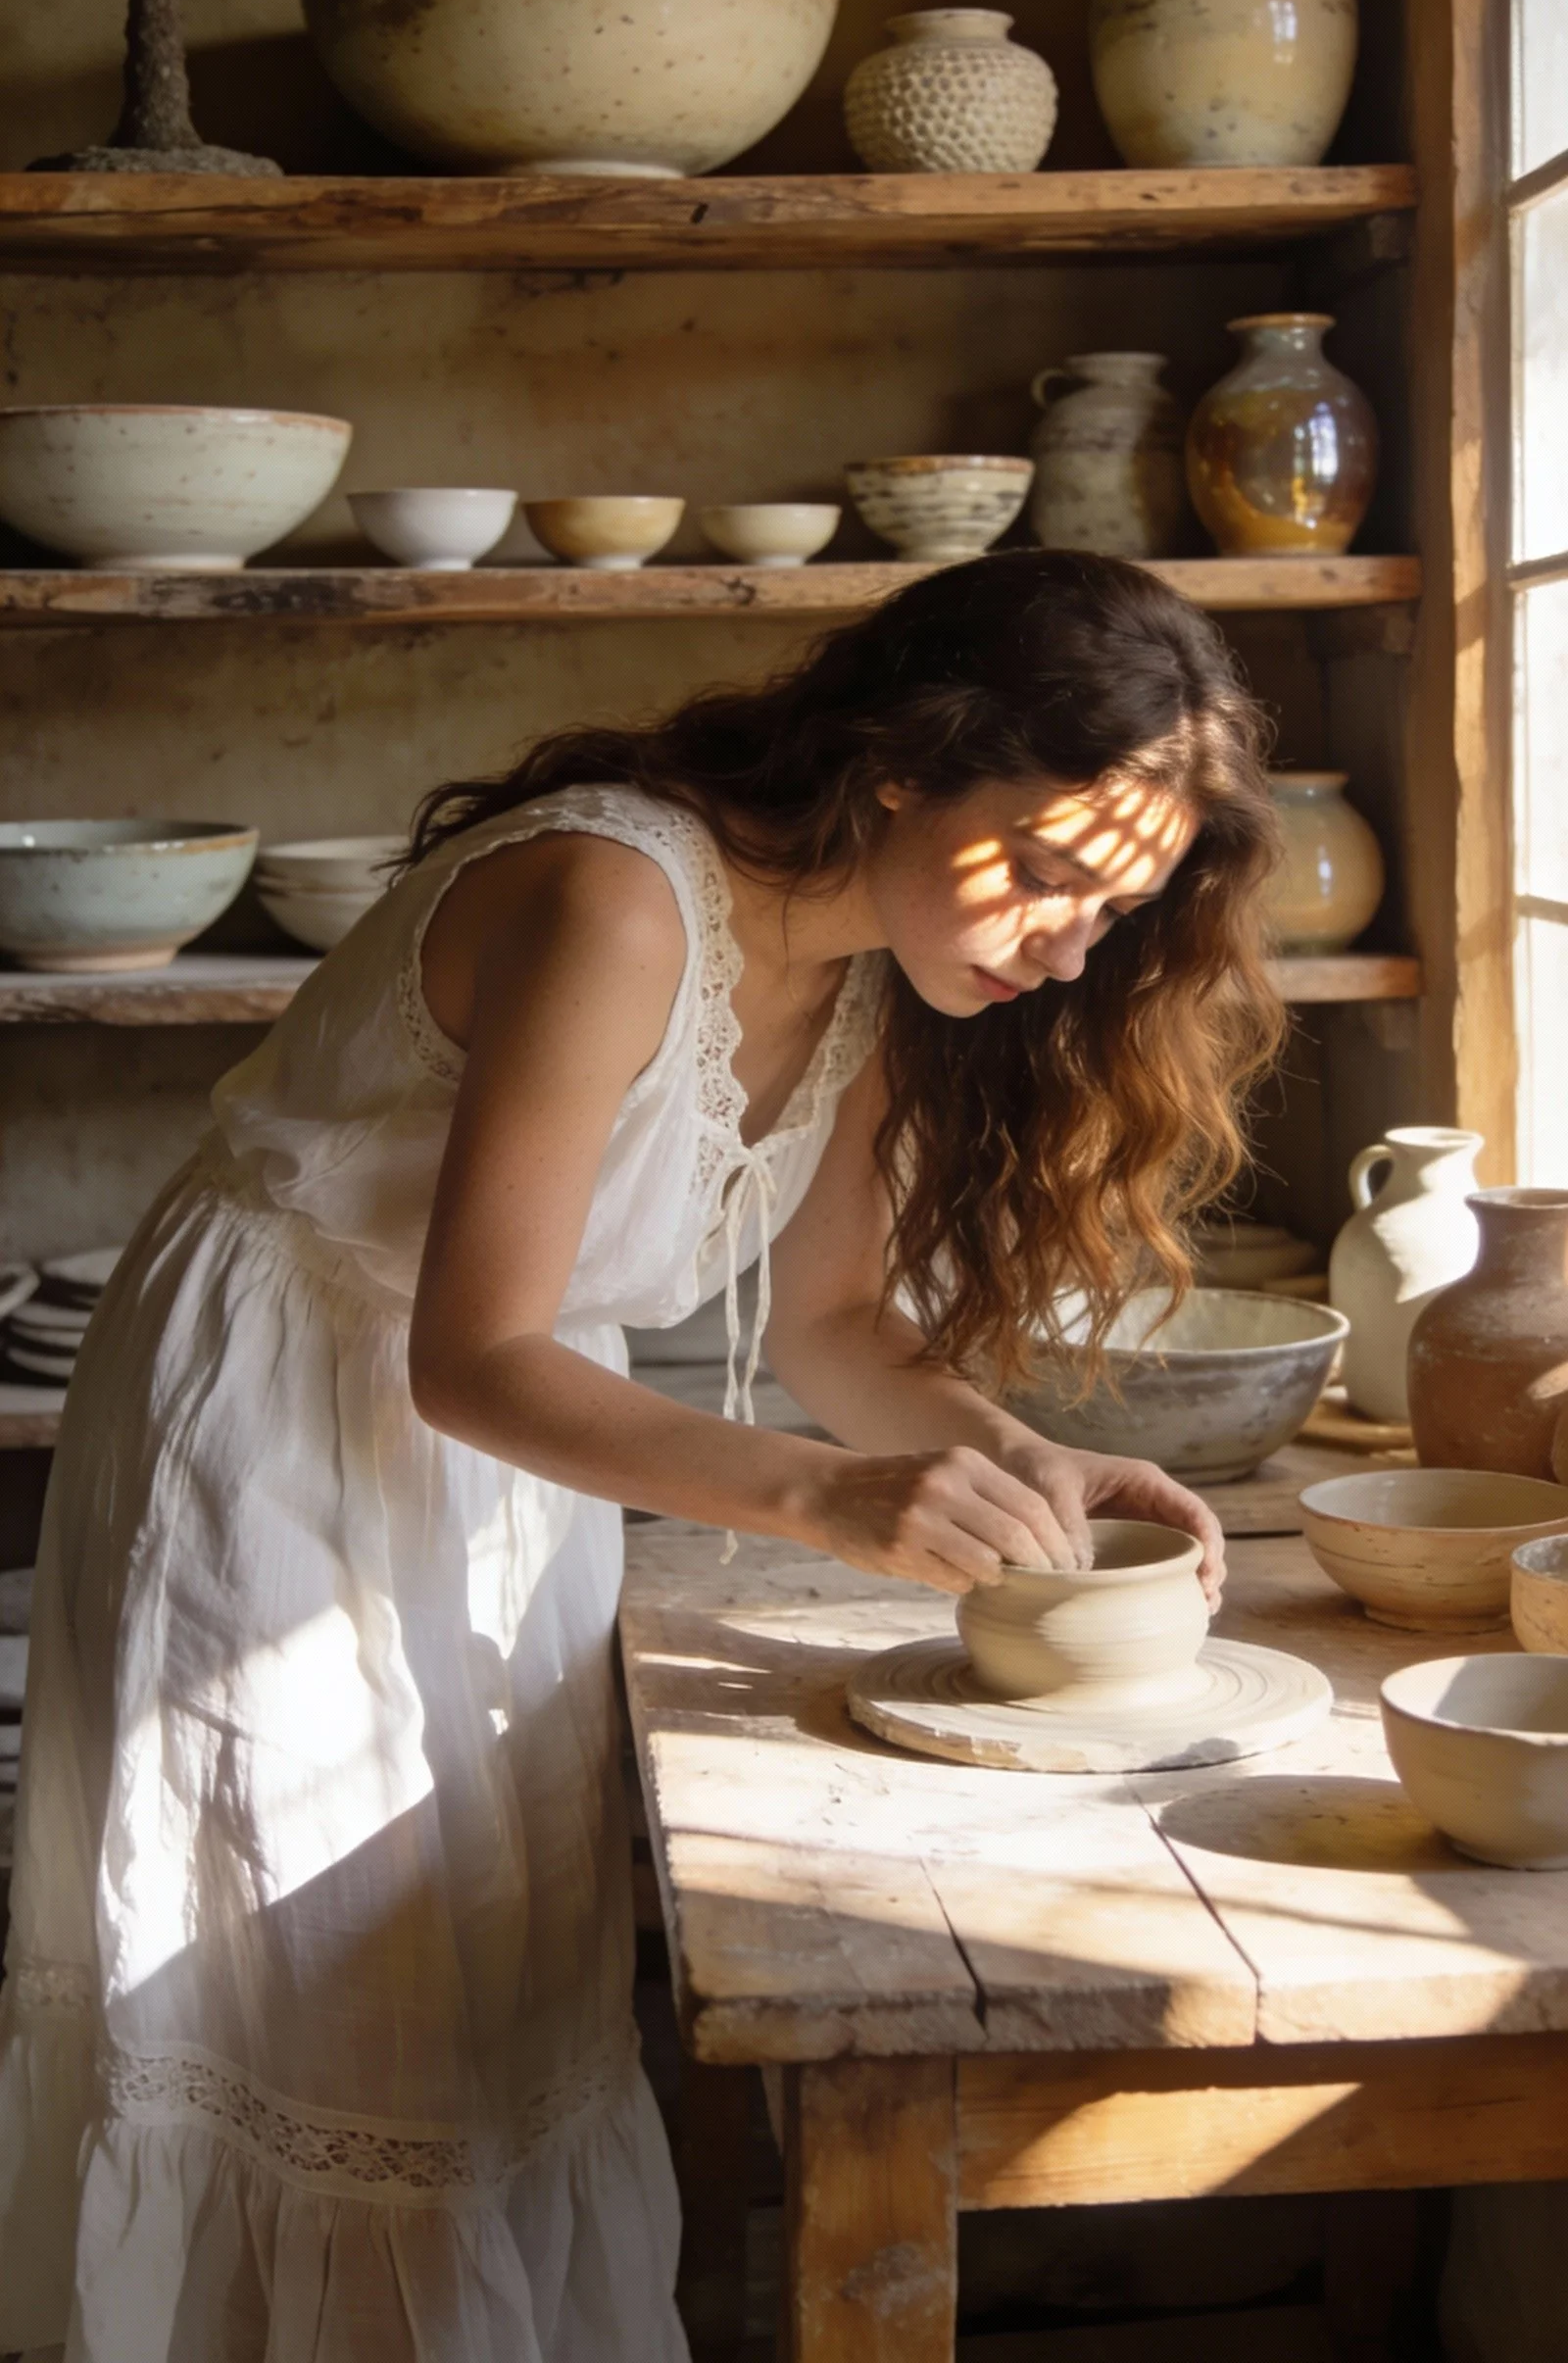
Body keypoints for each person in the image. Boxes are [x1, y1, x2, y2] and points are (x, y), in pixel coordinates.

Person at [0, 551, 1284, 2363]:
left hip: (514, 1443)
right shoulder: (619, 897)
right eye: (1060, 877)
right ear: (906, 766)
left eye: (1112, 909)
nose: (1074, 945)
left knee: (480, 1991)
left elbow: (839, 1326)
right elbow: (470, 1350)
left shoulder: (877, 973)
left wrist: (1028, 1459)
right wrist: (827, 1499)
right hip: (280, 1407)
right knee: (296, 1993)